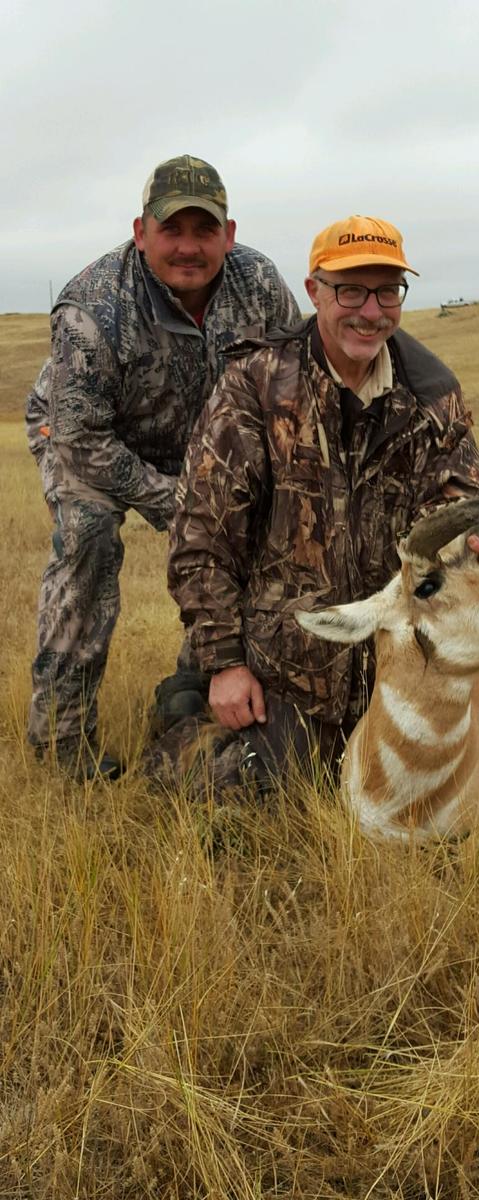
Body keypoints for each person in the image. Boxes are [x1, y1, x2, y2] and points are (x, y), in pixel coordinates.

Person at [160, 214, 479, 793]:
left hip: (392, 671)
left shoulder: (434, 396)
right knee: (240, 797)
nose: (370, 312)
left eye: (387, 291)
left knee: (442, 796)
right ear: (314, 290)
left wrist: (477, 553)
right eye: (350, 290)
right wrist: (225, 663)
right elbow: (201, 537)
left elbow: (460, 510)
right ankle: (188, 702)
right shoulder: (257, 385)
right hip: (283, 668)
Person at [26, 154, 300, 779]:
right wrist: (184, 502)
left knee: (266, 527)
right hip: (85, 438)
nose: (188, 247)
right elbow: (80, 438)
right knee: (88, 537)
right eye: (171, 229)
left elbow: (291, 388)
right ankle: (62, 743)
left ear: (228, 236)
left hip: (204, 444)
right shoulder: (91, 308)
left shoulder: (259, 285)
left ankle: (193, 685)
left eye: (205, 231)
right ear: (140, 231)